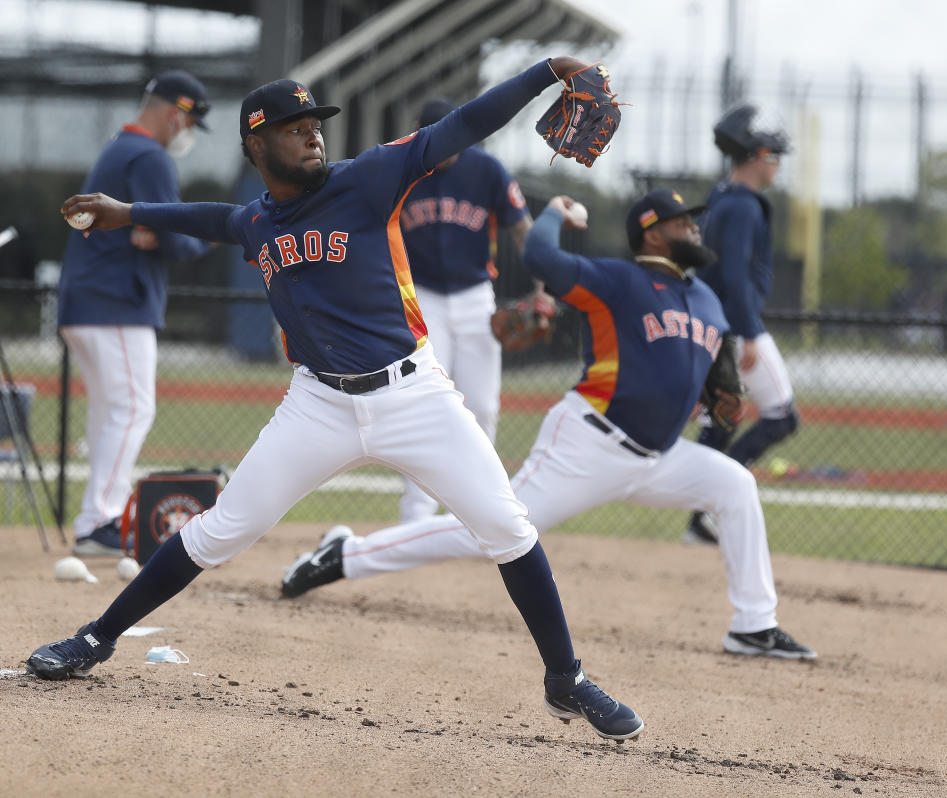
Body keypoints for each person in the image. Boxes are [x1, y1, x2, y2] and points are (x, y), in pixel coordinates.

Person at [27, 59, 644, 744]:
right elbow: (215, 219)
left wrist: (546, 72)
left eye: (314, 123)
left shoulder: (368, 178)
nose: (312, 135)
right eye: (293, 128)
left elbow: (464, 124)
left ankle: (567, 680)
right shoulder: (258, 220)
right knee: (220, 530)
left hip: (414, 394)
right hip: (317, 406)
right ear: (255, 147)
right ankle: (96, 637)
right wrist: (128, 212)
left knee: (508, 528)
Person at [281, 188, 817, 661]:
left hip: (660, 456)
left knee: (736, 485)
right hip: (588, 444)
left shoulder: (708, 302)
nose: (694, 228)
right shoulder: (615, 279)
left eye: (693, 221)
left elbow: (712, 382)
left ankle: (754, 626)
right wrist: (555, 213)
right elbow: (541, 254)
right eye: (682, 222)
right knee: (486, 532)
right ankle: (344, 554)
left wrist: (718, 394)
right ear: (651, 235)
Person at [58, 71, 212, 557]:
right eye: (188, 122)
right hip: (116, 302)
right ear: (175, 114)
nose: (186, 133)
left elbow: (157, 229)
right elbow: (175, 235)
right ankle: (99, 520)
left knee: (110, 412)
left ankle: (101, 514)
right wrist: (201, 234)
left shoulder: (119, 147)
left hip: (89, 298)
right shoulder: (148, 155)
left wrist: (158, 230)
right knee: (131, 409)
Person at [395, 98, 540, 522]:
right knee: (425, 402)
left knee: (483, 405)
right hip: (421, 298)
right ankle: (416, 515)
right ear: (420, 133)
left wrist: (543, 287)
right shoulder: (400, 167)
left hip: (477, 296)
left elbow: (521, 229)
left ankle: (481, 512)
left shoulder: (486, 170)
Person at [683, 103, 800, 545]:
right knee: (782, 418)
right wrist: (749, 332)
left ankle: (703, 516)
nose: (777, 164)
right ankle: (711, 506)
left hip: (714, 323)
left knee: (721, 421)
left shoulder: (720, 198)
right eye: (774, 155)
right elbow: (733, 271)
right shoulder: (744, 206)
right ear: (756, 155)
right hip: (735, 327)